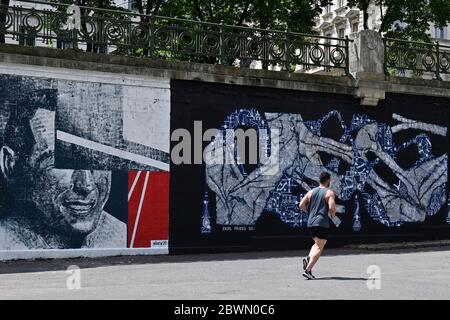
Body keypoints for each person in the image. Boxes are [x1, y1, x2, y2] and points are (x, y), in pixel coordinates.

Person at [0, 88, 125, 249]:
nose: (86, 185)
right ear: (9, 164)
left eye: (98, 160)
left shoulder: (123, 235)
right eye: (63, 162)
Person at [299, 171, 336, 280]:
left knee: (317, 243)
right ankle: (308, 270)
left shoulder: (311, 192)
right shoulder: (329, 193)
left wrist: (309, 212)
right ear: (328, 180)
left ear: (319, 180)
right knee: (320, 246)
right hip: (321, 223)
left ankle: (308, 258)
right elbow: (332, 208)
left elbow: (301, 205)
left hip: (310, 223)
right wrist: (333, 214)